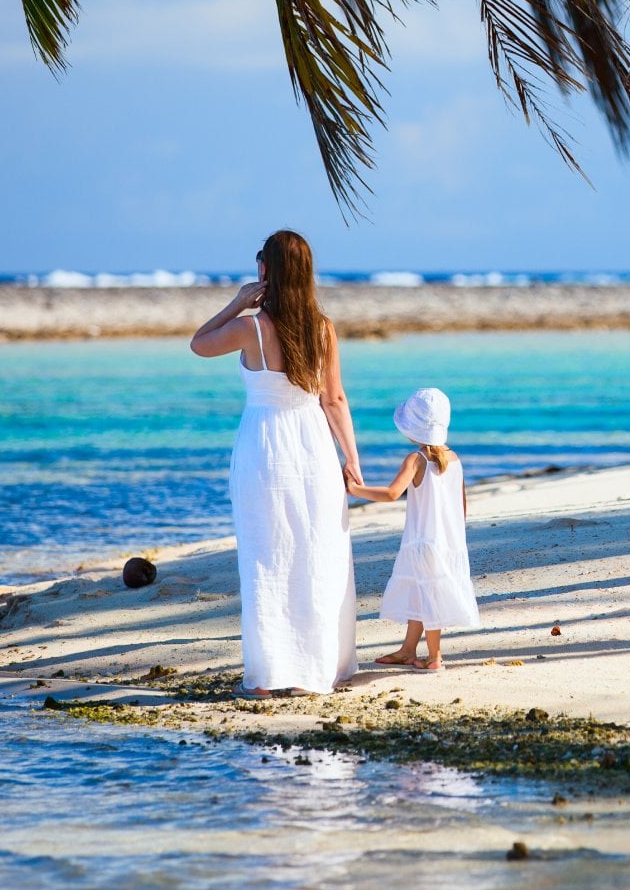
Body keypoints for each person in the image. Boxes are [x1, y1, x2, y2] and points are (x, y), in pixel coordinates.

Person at [191, 230, 360, 697]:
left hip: (264, 450)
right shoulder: (323, 328)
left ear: (266, 270)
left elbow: (198, 343)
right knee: (316, 554)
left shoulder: (251, 328)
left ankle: (271, 675)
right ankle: (321, 668)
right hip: (314, 450)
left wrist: (236, 302)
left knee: (267, 557)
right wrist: (352, 458)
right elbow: (335, 399)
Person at [347, 387, 480, 671]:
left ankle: (435, 657)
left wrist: (356, 489)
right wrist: (455, 535)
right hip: (448, 541)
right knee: (423, 591)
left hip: (424, 541)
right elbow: (462, 504)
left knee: (430, 593)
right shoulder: (455, 459)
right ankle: (408, 650)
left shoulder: (417, 460)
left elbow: (392, 493)